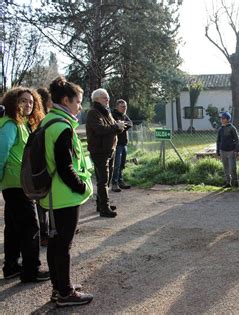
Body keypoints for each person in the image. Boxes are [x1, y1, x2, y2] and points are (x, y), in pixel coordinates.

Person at [40, 77, 94, 306]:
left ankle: (59, 286)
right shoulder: (62, 127)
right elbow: (65, 167)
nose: (80, 106)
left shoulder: (49, 122)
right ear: (66, 100)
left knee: (56, 244)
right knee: (63, 246)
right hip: (63, 196)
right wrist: (81, 186)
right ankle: (65, 292)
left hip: (52, 195)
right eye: (78, 101)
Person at [0, 87, 48, 282]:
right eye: (23, 101)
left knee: (12, 226)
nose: (28, 105)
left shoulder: (21, 125)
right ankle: (31, 270)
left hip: (16, 182)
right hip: (16, 183)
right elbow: (1, 154)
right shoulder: (10, 125)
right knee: (31, 226)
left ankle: (11, 266)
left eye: (31, 102)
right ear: (13, 103)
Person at [86, 88, 125, 218]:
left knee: (106, 180)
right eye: (104, 97)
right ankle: (104, 208)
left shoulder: (106, 112)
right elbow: (100, 129)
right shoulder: (93, 113)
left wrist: (120, 127)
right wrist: (116, 127)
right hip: (100, 151)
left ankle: (101, 204)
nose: (107, 100)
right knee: (103, 181)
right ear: (96, 99)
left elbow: (112, 127)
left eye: (107, 97)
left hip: (109, 150)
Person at [36, 87, 53, 247]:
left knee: (45, 201)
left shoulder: (45, 117)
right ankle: (44, 233)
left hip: (44, 164)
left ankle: (47, 230)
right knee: (42, 202)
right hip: (40, 166)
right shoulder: (39, 119)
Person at [111, 99, 133, 192]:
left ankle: (120, 181)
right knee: (116, 164)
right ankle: (114, 184)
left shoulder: (124, 115)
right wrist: (121, 125)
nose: (124, 108)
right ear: (117, 107)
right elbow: (116, 126)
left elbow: (130, 123)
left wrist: (122, 125)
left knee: (122, 164)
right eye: (122, 107)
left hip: (124, 144)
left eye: (125, 107)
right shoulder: (113, 115)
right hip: (117, 144)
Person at [216, 111, 239, 188]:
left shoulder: (232, 128)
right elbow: (218, 141)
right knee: (225, 167)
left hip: (231, 151)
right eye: (221, 118)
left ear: (228, 119)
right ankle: (227, 182)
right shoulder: (220, 129)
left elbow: (236, 139)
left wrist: (236, 150)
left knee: (232, 168)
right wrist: (218, 151)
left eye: (223, 118)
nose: (221, 120)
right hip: (223, 150)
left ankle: (235, 182)